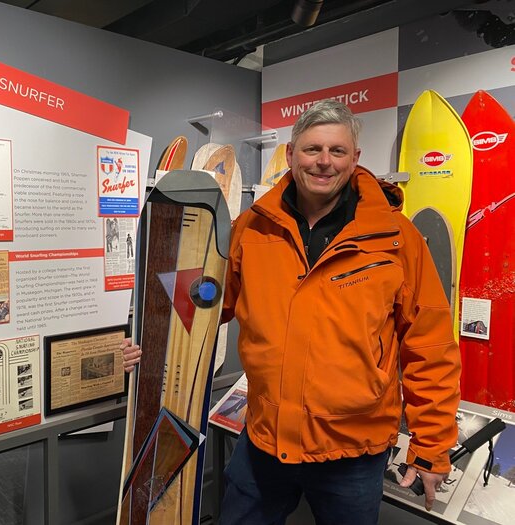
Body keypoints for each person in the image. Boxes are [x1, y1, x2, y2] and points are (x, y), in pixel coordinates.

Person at [121, 99, 461, 524]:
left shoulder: (395, 238)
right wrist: (151, 337)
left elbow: (430, 345)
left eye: (337, 151)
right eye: (312, 149)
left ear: (355, 157)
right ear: (290, 153)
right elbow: (210, 305)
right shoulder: (253, 228)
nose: (324, 161)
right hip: (264, 438)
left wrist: (431, 445)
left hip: (353, 451)